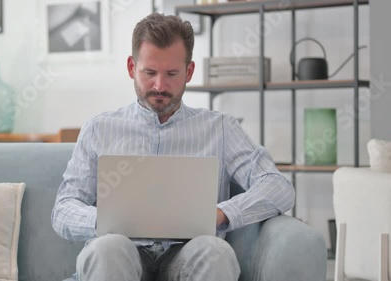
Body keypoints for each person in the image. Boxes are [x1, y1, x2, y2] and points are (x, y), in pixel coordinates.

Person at [52, 12, 295, 281]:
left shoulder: (221, 128)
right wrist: (105, 220)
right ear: (132, 68)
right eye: (150, 72)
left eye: (171, 74)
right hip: (121, 254)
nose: (159, 85)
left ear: (188, 72)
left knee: (215, 251)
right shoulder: (99, 128)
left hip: (188, 255)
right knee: (108, 247)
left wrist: (221, 213)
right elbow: (63, 209)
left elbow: (278, 186)